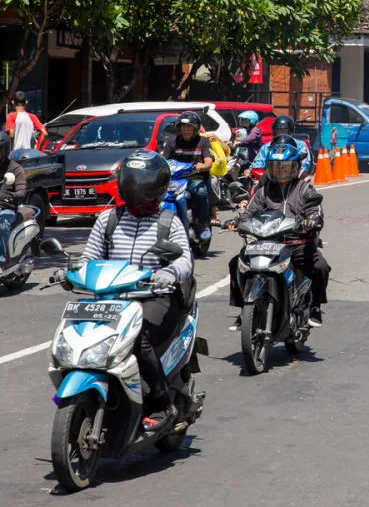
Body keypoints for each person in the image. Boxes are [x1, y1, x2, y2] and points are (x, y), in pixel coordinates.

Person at [52, 151, 193, 432]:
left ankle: (162, 403)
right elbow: (88, 258)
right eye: (130, 182)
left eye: (141, 184)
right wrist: (69, 273)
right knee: (77, 333)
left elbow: (185, 259)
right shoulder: (109, 219)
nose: (134, 189)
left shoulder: (168, 221)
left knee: (138, 338)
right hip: (110, 298)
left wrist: (169, 273)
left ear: (156, 186)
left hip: (153, 296)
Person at [227, 135, 330, 328]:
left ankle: (315, 306)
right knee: (236, 264)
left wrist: (311, 222)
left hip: (297, 243)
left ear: (295, 166)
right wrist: (237, 221)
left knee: (320, 267)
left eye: (285, 165)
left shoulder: (304, 188)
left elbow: (316, 211)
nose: (280, 170)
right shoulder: (264, 190)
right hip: (265, 243)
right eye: (275, 166)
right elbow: (249, 211)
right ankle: (244, 310)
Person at [161, 111, 213, 242]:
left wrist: (203, 165)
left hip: (196, 178)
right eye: (183, 126)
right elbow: (162, 160)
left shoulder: (203, 141)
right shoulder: (172, 142)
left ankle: (202, 224)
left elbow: (208, 160)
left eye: (189, 126)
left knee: (200, 192)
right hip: (175, 179)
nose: (186, 129)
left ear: (195, 128)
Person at [0, 132, 26, 265]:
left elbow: (21, 191)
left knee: (2, 224)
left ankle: (1, 261)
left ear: (6, 150)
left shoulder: (15, 169)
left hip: (7, 208)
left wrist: (11, 197)